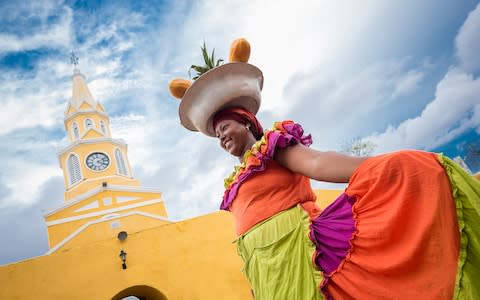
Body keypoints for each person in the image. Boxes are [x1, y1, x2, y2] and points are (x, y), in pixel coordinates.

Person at [169, 39, 480, 299]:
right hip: (265, 269)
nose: (222, 136)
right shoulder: (234, 181)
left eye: (225, 127)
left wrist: (379, 166)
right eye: (217, 134)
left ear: (246, 121)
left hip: (299, 252)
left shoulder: (272, 147)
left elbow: (317, 163)